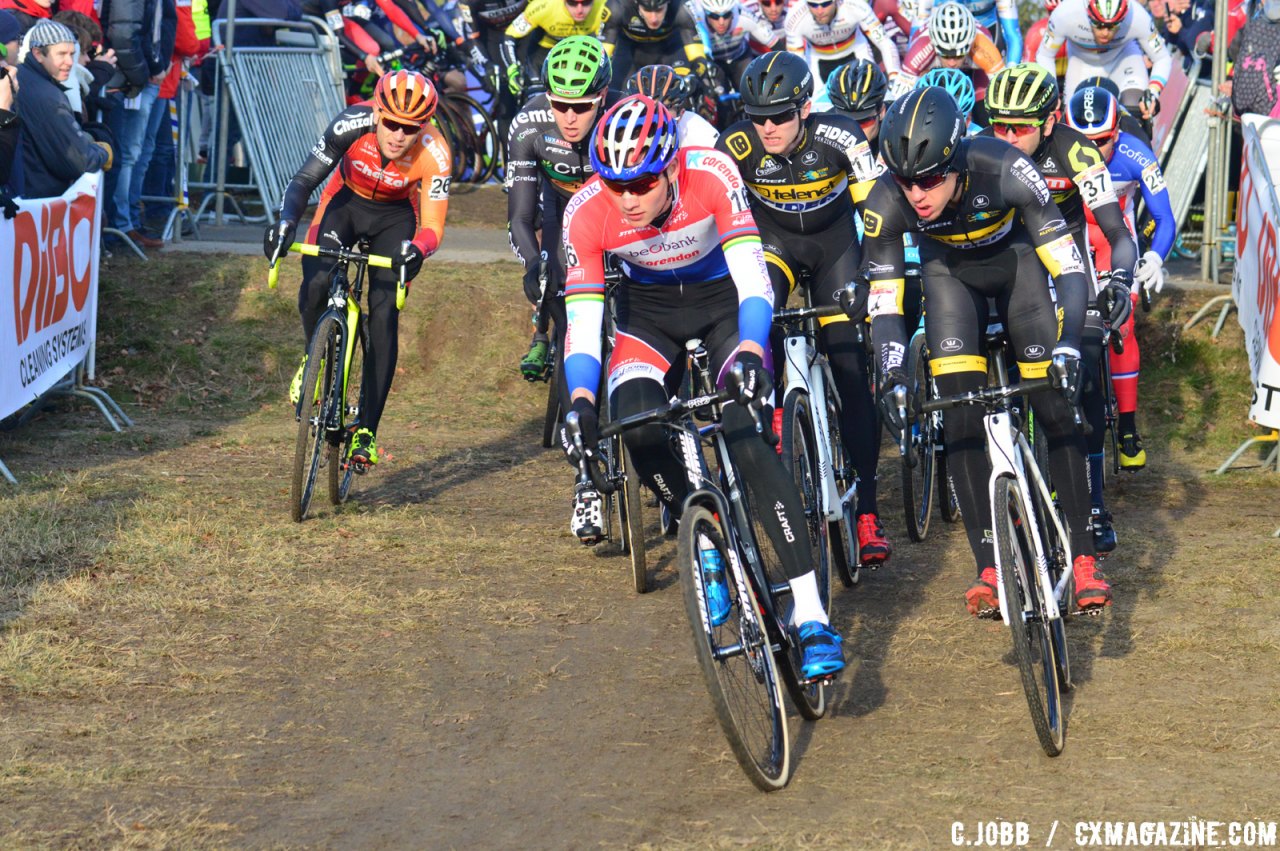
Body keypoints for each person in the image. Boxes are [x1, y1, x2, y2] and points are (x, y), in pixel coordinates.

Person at [562, 93, 845, 679]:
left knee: (744, 432)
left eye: (641, 183)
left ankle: (812, 612)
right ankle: (709, 543)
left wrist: (749, 349)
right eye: (615, 184)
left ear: (669, 168)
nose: (628, 198)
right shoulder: (588, 211)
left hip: (724, 306)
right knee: (637, 429)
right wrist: (582, 403)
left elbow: (753, 278)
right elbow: (584, 322)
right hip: (649, 317)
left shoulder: (712, 173)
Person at [863, 86, 1113, 615]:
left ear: (955, 160)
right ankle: (989, 564)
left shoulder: (1004, 167)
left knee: (1055, 405)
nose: (917, 194)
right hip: (949, 278)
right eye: (907, 181)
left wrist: (1068, 345)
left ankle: (1085, 558)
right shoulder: (884, 201)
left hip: (1017, 267)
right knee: (958, 414)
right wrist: (892, 373)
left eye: (930, 178)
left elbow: (1068, 267)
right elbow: (884, 305)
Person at [716, 51, 894, 566]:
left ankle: (867, 512)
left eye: (778, 116)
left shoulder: (841, 137)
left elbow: (875, 217)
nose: (767, 127)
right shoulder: (736, 145)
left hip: (836, 247)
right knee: (758, 305)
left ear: (805, 108)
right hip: (773, 244)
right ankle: (775, 418)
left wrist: (869, 277)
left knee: (850, 368)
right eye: (757, 116)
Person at [981, 64, 1138, 554]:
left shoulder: (1075, 150)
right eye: (999, 125)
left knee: (1086, 369)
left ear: (1049, 121)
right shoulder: (981, 147)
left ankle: (1092, 503)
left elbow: (1116, 232)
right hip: (1010, 265)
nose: (1007, 137)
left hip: (1068, 262)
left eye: (1020, 127)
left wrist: (1118, 278)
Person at [264, 70, 451, 469]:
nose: (399, 135)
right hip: (344, 204)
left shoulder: (436, 152)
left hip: (396, 217)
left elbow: (433, 227)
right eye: (392, 123)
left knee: (383, 315)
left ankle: (366, 429)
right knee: (315, 283)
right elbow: (304, 180)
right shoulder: (351, 122)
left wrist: (417, 250)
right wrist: (285, 222)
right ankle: (310, 357)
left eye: (410, 128)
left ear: (425, 126)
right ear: (377, 113)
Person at [1066, 83, 1177, 476]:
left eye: (1103, 141)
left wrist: (1153, 257)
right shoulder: (1057, 148)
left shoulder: (1135, 152)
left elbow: (1165, 218)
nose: (1094, 151)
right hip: (1071, 238)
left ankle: (1128, 428)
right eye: (1086, 141)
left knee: (1122, 325)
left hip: (1116, 241)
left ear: (1118, 132)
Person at [507, 36, 616, 386]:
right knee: (554, 285)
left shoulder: (624, 114)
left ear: (602, 96)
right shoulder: (529, 123)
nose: (569, 118)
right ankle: (547, 334)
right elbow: (520, 217)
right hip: (559, 204)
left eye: (582, 107)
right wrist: (533, 264)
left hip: (617, 209)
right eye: (560, 105)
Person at [1034, 0, 1173, 133]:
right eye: (1098, 24)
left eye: (1113, 26)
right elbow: (1045, 55)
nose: (1105, 32)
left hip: (1123, 59)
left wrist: (1153, 92)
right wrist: (1051, 92)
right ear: (1088, 13)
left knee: (1137, 109)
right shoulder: (1065, 13)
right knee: (1075, 123)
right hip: (1081, 63)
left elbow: (1162, 57)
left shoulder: (1137, 15)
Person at [15, 19, 111, 198]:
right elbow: (77, 161)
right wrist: (103, 152)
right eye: (61, 54)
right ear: (38, 53)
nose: (69, 62)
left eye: (72, 54)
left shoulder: (26, 77)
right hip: (38, 201)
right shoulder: (46, 95)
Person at [887, 1, 1004, 107]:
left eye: (958, 56)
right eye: (946, 55)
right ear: (935, 45)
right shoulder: (923, 46)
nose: (952, 63)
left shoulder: (982, 46)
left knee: (984, 106)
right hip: (929, 67)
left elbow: (1004, 91)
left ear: (969, 45)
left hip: (975, 68)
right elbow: (898, 101)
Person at [784, 0, 900, 98]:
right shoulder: (795, 18)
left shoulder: (855, 5)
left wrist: (894, 78)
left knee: (874, 96)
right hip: (818, 61)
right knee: (817, 107)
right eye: (813, 5)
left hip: (857, 53)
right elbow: (795, 63)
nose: (819, 11)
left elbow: (884, 43)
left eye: (826, 3)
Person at [502, 0, 607, 99]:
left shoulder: (604, 7)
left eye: (586, 2)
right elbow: (510, 35)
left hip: (579, 56)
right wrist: (512, 68)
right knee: (535, 99)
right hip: (541, 54)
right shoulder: (544, 5)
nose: (579, 10)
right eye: (572, 3)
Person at [601, 0, 710, 83]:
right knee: (618, 92)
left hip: (669, 48)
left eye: (659, 10)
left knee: (681, 87)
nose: (654, 18)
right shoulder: (617, 6)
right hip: (629, 49)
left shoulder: (681, 8)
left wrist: (694, 77)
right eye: (647, 10)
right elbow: (602, 55)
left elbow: (698, 58)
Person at [624, 63, 719, 145]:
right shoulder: (622, 129)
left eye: (664, 108)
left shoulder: (695, 127)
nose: (655, 117)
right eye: (645, 109)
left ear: (680, 111)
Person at [903, 0, 1023, 64]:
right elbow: (915, 38)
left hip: (985, 37)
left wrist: (1011, 68)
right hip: (947, 40)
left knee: (984, 95)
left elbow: (1013, 35)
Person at [823, 57, 887, 152]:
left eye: (864, 121)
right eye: (845, 121)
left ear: (881, 112)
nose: (854, 130)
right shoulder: (822, 131)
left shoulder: (897, 129)